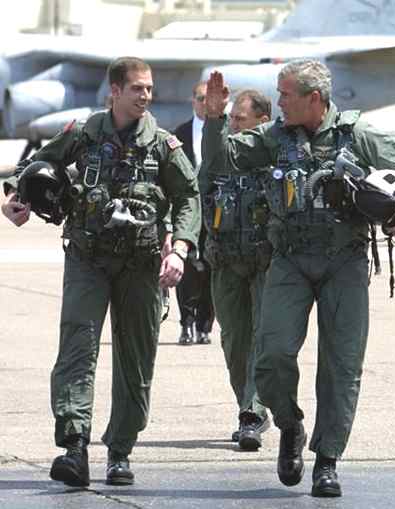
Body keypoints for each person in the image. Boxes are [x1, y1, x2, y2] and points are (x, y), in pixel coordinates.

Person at [202, 60, 395, 497]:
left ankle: (327, 461)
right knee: (270, 357)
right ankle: (289, 425)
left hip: (343, 261)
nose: (280, 102)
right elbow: (223, 161)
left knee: (341, 366)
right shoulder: (274, 138)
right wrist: (215, 120)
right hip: (288, 260)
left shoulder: (356, 135)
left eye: (286, 95)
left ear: (314, 99)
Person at [1, 56, 201, 488]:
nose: (146, 96)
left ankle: (120, 452)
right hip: (88, 259)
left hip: (143, 265)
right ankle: (74, 447)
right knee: (78, 347)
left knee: (136, 359)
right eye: (137, 89)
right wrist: (15, 199)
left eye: (149, 88)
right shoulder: (84, 133)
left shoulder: (163, 146)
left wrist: (180, 249)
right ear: (114, 91)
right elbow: (33, 167)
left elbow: (189, 198)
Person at [201, 89, 272, 450]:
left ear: (263, 122)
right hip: (226, 263)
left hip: (265, 265)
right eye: (230, 120)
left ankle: (252, 413)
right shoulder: (220, 156)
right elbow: (200, 189)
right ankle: (248, 406)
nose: (233, 126)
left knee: (263, 337)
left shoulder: (275, 153)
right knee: (235, 341)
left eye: (239, 120)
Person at [173, 81, 215, 345]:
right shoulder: (180, 133)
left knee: (211, 268)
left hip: (215, 212)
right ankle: (186, 323)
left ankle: (204, 326)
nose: (204, 103)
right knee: (186, 268)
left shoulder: (224, 134)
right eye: (200, 98)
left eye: (208, 99)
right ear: (193, 101)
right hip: (188, 211)